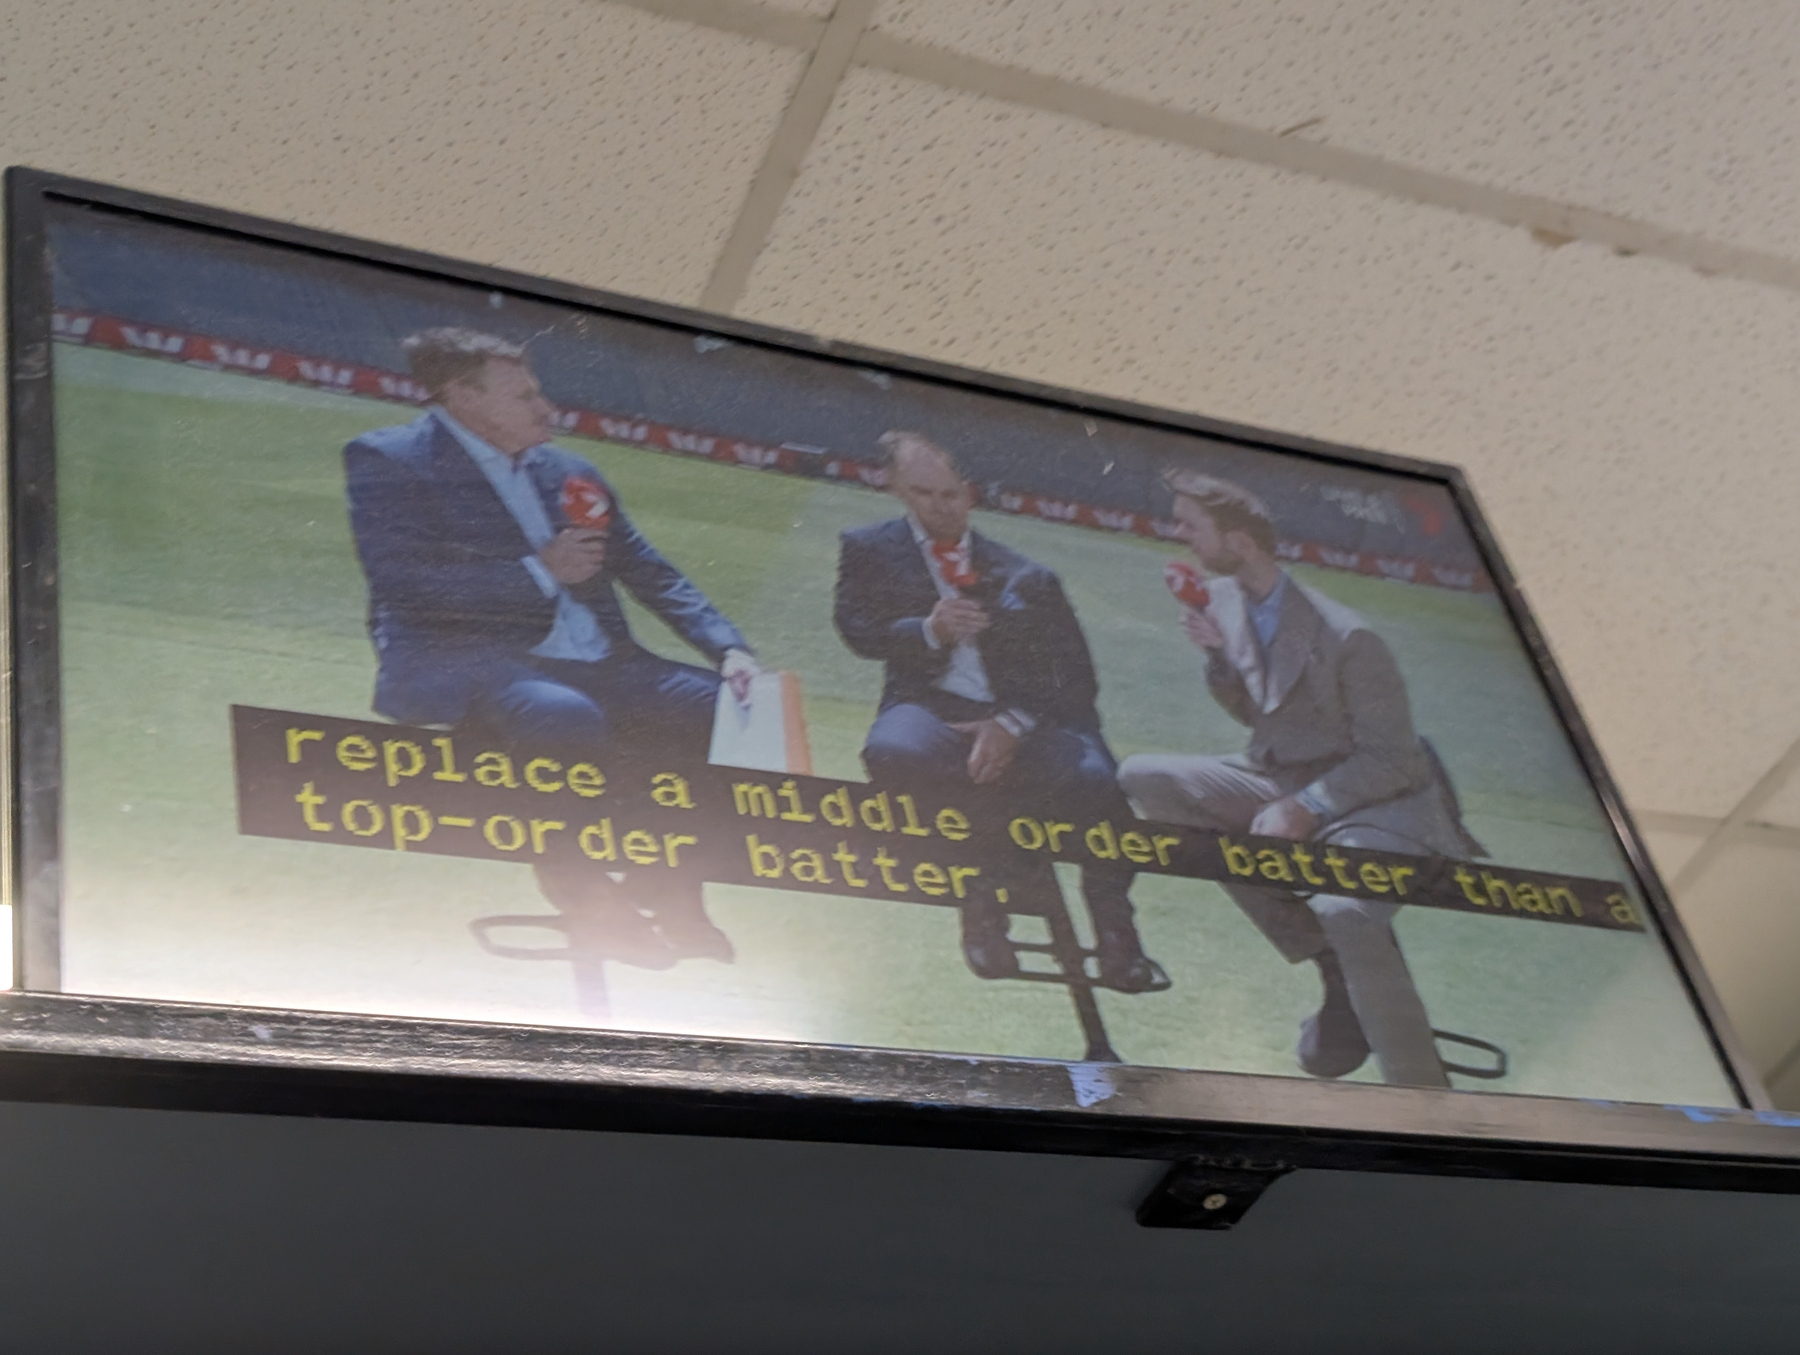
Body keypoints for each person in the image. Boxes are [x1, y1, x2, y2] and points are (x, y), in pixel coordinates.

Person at [343, 327, 759, 970]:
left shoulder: (567, 470)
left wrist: (729, 651)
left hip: (599, 661)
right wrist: (540, 573)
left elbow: (648, 567)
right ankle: (583, 891)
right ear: (463, 397)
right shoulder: (391, 459)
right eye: (525, 396)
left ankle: (671, 886)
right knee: (562, 716)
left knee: (727, 714)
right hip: (478, 657)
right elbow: (402, 583)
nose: (547, 410)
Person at [1117, 469, 1484, 1087]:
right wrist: (1216, 658)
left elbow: (1395, 760)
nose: (1179, 535)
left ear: (1241, 539)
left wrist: (1306, 807)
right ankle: (1334, 969)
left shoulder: (1348, 636)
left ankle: (1422, 1094)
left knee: (1345, 908)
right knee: (1147, 778)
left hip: (1380, 800)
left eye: (1190, 525)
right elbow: (1264, 719)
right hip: (1281, 775)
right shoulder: (1226, 600)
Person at [832, 431, 1166, 993]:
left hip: (1029, 716)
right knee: (893, 751)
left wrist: (1010, 725)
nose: (939, 505)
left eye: (950, 493)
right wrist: (928, 631)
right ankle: (984, 896)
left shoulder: (1026, 575)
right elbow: (858, 631)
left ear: (969, 494)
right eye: (923, 493)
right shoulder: (869, 547)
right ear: (896, 489)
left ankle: (1116, 935)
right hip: (929, 708)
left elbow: (1076, 680)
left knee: (1098, 784)